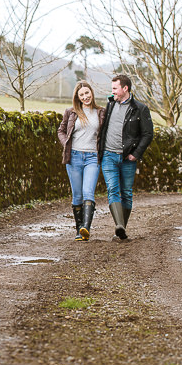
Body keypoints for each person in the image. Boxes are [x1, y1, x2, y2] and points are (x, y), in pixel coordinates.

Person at [97, 74, 155, 240]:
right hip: (108, 156)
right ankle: (119, 226)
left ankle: (121, 230)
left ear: (125, 88)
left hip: (127, 159)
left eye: (115, 88)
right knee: (112, 190)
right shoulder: (110, 105)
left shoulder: (140, 109)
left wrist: (136, 154)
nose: (112, 91)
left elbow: (147, 134)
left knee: (126, 193)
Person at [57, 81, 105, 241]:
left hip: (92, 157)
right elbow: (61, 131)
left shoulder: (101, 112)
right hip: (74, 157)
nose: (85, 97)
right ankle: (79, 231)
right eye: (82, 95)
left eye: (87, 93)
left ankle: (86, 227)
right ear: (77, 97)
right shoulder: (71, 112)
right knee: (77, 195)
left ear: (92, 92)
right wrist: (66, 144)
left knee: (88, 192)